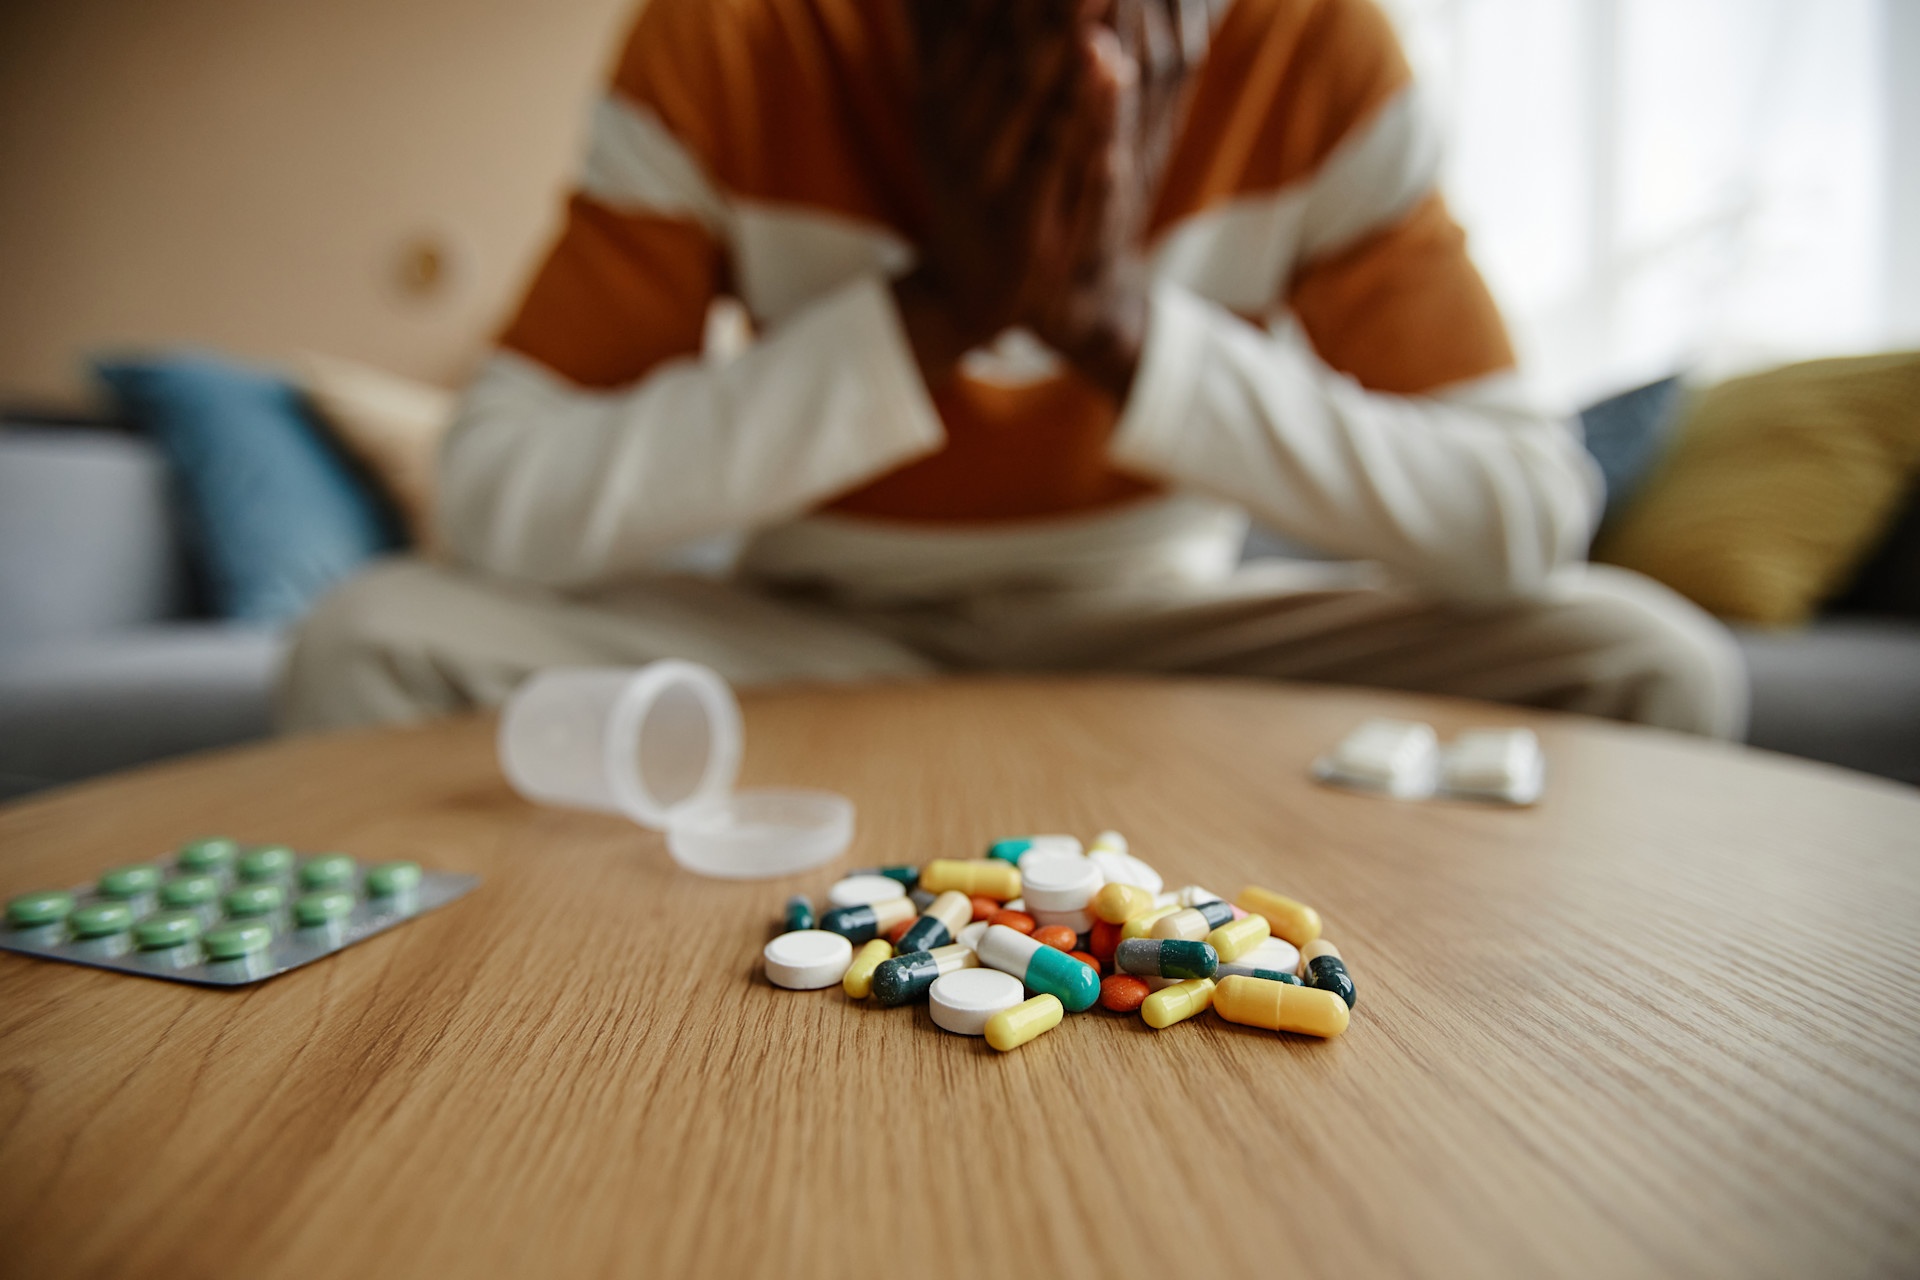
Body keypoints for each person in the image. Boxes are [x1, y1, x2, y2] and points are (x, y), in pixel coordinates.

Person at [281, 0, 1745, 738]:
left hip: (1160, 637)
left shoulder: (1311, 47)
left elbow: (1520, 512)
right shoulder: (733, 35)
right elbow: (494, 497)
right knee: (371, 644)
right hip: (813, 638)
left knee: (1644, 660)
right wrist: (933, 315)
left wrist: (1110, 319)